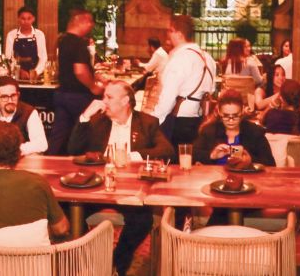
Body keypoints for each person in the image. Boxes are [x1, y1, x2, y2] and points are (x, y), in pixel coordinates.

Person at [67, 80, 174, 275]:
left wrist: (133, 156)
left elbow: (167, 150)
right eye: (104, 96)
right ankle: (83, 261)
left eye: (109, 97)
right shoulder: (96, 121)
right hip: (97, 188)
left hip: (131, 190)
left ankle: (116, 262)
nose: (103, 101)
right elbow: (73, 150)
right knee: (68, 210)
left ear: (125, 101)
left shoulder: (147, 122)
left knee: (142, 220)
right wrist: (85, 116)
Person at [152, 14, 217, 146]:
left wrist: (154, 122)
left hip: (179, 122)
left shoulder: (181, 58)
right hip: (201, 120)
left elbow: (168, 97)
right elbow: (211, 90)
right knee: (190, 156)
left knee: (175, 157)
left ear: (179, 34)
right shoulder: (208, 58)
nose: (168, 34)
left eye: (170, 30)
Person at [50, 8, 106, 155]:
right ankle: (87, 158)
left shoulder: (62, 41)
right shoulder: (79, 43)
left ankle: (51, 158)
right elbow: (79, 70)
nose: (91, 25)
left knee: (59, 134)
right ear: (82, 22)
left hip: (62, 93)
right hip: (78, 95)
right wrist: (93, 86)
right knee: (86, 129)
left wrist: (94, 75)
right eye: (90, 22)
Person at [193, 89, 275, 167]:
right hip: (216, 176)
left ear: (242, 111)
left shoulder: (255, 132)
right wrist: (211, 155)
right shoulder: (209, 131)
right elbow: (193, 156)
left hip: (246, 176)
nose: (231, 120)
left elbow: (270, 163)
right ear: (219, 112)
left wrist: (250, 160)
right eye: (226, 116)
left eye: (235, 116)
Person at [4, 6, 48, 80]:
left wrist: (35, 72)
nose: (26, 22)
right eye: (23, 19)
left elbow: (43, 58)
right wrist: (19, 71)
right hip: (16, 75)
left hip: (36, 76)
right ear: (18, 19)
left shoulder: (39, 34)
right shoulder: (11, 35)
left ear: (33, 19)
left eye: (29, 18)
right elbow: (8, 58)